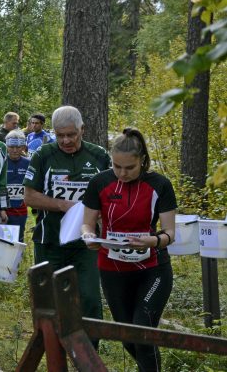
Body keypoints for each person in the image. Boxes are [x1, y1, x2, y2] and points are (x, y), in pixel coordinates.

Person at [81, 128, 176, 372]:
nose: (122, 173)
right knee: (127, 336)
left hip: (152, 268)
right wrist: (88, 236)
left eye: (129, 168)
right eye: (116, 167)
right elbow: (87, 222)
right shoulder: (99, 182)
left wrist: (152, 241)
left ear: (142, 161)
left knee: (142, 330)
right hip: (113, 269)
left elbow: (169, 234)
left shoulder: (160, 185)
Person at [23, 105, 112, 325]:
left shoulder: (99, 156)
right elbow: (29, 196)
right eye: (60, 135)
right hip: (50, 240)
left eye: (71, 134)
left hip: (87, 244)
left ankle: (89, 353)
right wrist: (64, 205)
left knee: (90, 299)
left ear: (83, 129)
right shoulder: (44, 155)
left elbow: (112, 196)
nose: (66, 141)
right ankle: (54, 352)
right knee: (49, 301)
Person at [4, 130, 29, 241]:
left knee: (19, 238)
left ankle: (18, 258)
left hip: (20, 207)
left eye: (18, 147)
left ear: (23, 147)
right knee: (2, 238)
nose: (14, 150)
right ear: (7, 146)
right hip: (3, 208)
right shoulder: (1, 162)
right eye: (11, 147)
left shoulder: (28, 163)